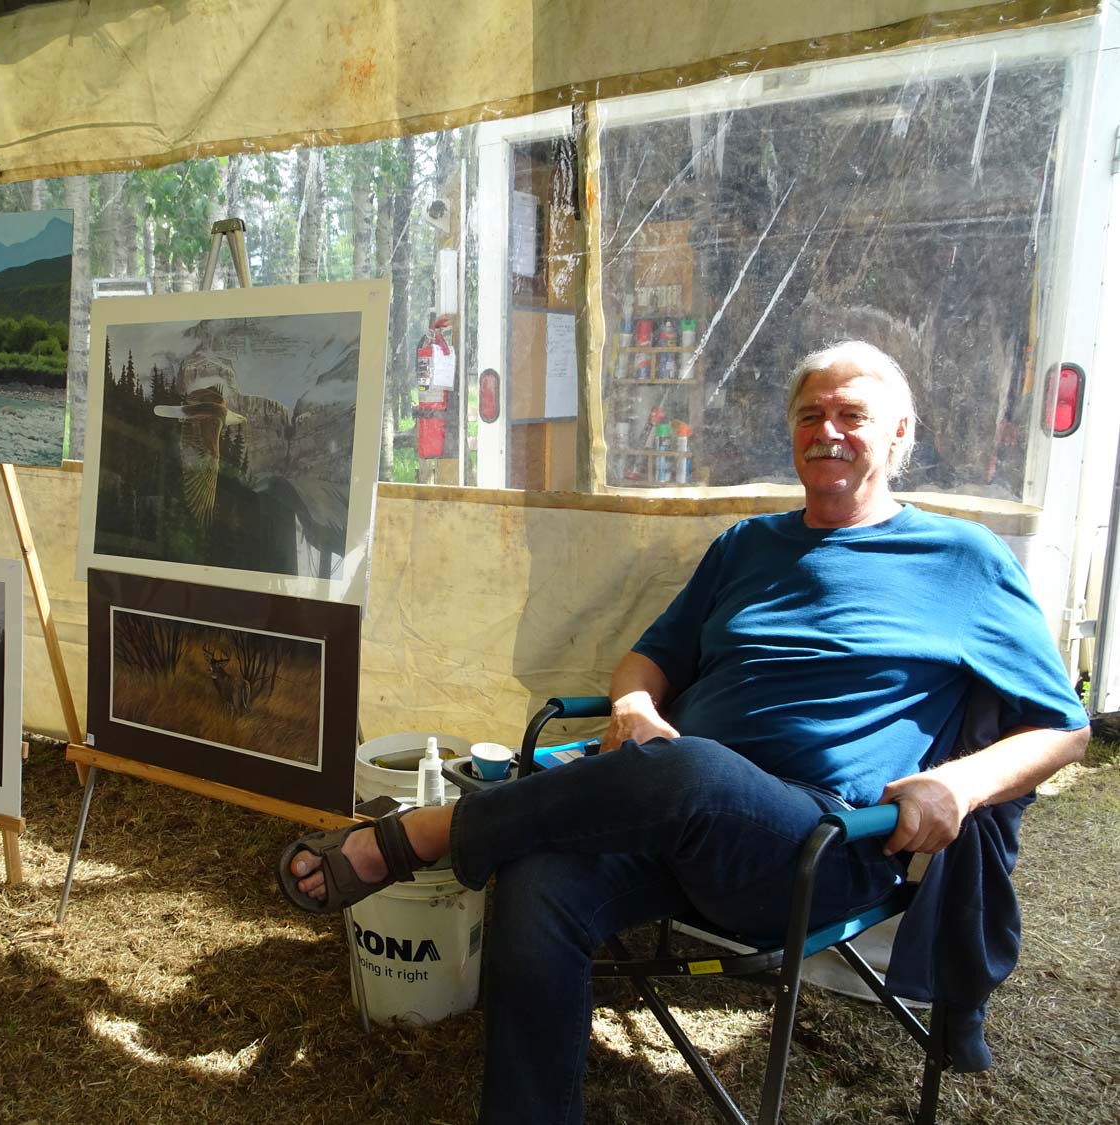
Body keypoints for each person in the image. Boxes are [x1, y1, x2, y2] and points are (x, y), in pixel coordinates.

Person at [277, 339, 1089, 1123]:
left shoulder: (963, 560)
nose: (827, 431)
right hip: (667, 823)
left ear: (900, 433)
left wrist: (960, 783)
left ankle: (414, 837)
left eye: (852, 414)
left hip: (820, 845)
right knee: (542, 879)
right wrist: (634, 707)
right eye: (810, 414)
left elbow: (1062, 727)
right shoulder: (748, 546)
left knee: (691, 769)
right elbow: (648, 660)